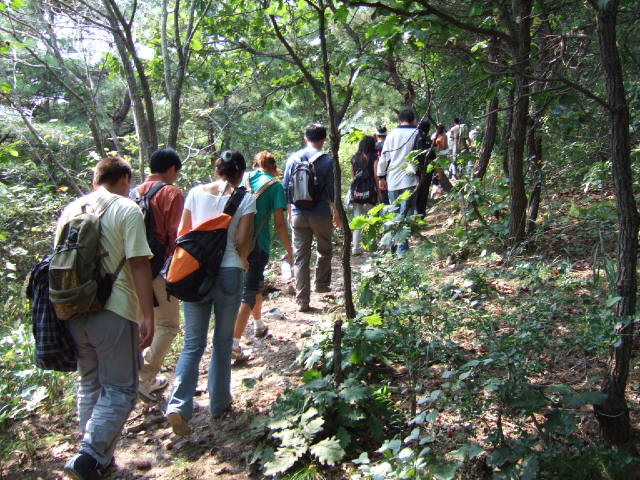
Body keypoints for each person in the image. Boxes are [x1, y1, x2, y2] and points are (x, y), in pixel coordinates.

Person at [62, 156, 154, 480]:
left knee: (90, 384)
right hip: (113, 309)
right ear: (126, 179)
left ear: (95, 181)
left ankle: (100, 460)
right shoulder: (127, 209)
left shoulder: (71, 209)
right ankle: (88, 457)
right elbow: (139, 263)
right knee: (121, 389)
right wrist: (147, 315)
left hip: (73, 309)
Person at [165, 150, 255, 436]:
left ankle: (178, 404)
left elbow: (183, 233)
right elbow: (242, 240)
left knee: (193, 343)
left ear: (217, 170)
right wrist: (243, 261)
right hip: (229, 271)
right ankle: (219, 403)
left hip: (195, 274)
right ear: (241, 173)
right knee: (223, 341)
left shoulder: (194, 193)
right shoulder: (246, 198)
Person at [232, 151, 294, 361]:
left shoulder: (243, 178)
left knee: (255, 283)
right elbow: (279, 223)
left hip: (233, 241)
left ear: (256, 164)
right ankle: (233, 343)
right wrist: (289, 249)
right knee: (249, 291)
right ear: (274, 167)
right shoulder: (275, 186)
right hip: (257, 244)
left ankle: (259, 324)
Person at [135, 147, 184, 402]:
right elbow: (177, 235)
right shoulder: (171, 193)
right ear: (172, 169)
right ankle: (144, 379)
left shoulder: (132, 192)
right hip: (160, 269)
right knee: (168, 324)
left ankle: (134, 377)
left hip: (131, 270)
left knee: (139, 325)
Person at [283, 123, 341, 312]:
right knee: (324, 250)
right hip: (321, 214)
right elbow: (332, 191)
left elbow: (286, 189)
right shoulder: (327, 161)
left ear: (305, 138)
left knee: (301, 258)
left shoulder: (293, 159)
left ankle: (302, 300)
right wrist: (337, 214)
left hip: (298, 214)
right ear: (323, 140)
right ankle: (321, 285)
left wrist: (290, 213)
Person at [377, 109, 419, 255]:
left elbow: (383, 158)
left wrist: (381, 177)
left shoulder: (391, 135)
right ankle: (402, 250)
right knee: (406, 215)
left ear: (400, 120)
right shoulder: (417, 133)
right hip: (411, 180)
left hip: (392, 180)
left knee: (394, 215)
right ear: (413, 119)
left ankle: (392, 247)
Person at [350, 136, 378, 255]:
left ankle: (356, 248)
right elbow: (376, 176)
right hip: (370, 192)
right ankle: (372, 247)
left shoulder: (354, 158)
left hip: (357, 192)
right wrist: (379, 192)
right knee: (372, 218)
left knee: (357, 218)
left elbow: (354, 176)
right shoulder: (374, 157)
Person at [413, 121, 435, 216]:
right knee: (424, 192)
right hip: (428, 171)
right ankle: (421, 213)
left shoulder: (417, 140)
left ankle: (418, 213)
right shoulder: (429, 141)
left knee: (417, 192)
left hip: (418, 171)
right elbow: (433, 157)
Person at [373, 125, 389, 204]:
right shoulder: (388, 146)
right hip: (388, 175)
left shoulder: (372, 147)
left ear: (376, 135)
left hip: (376, 177)